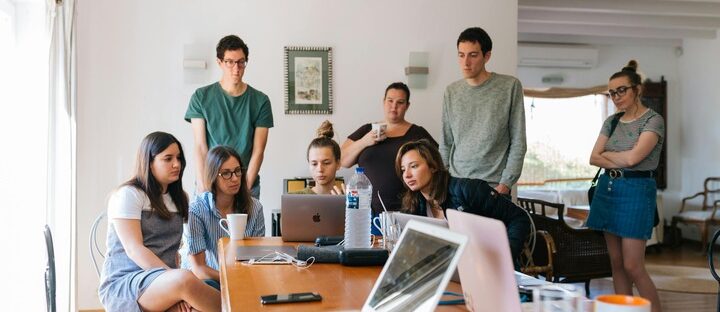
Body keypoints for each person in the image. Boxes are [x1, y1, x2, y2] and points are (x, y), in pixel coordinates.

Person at [99, 132, 219, 312]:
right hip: (126, 283)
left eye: (179, 158)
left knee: (197, 303)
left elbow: (175, 251)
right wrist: (176, 283)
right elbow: (134, 250)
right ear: (149, 162)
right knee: (186, 280)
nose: (176, 164)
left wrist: (176, 290)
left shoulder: (179, 198)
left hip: (165, 282)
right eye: (168, 158)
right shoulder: (129, 195)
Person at [587, 60, 663, 312]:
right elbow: (593, 157)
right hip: (608, 190)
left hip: (637, 192)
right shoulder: (611, 121)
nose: (616, 97)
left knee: (633, 266)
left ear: (636, 89)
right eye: (611, 92)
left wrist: (611, 157)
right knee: (616, 263)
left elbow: (634, 159)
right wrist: (621, 158)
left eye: (622, 90)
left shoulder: (653, 120)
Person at [396, 139, 530, 268]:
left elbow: (519, 217)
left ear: (433, 166)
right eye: (403, 169)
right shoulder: (415, 204)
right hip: (453, 271)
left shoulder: (468, 189)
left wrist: (504, 257)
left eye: (414, 166)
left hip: (490, 269)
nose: (406, 175)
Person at [185, 35, 273, 198]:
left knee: (246, 224)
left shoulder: (261, 101)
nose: (236, 68)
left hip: (245, 181)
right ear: (220, 62)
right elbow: (200, 146)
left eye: (241, 62)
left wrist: (244, 189)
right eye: (230, 62)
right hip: (211, 180)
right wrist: (204, 186)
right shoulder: (201, 97)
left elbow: (258, 150)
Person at [441, 27, 526, 196]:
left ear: (487, 56)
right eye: (461, 55)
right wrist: (442, 183)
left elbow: (518, 141)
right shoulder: (451, 91)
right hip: (456, 184)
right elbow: (446, 143)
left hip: (493, 187)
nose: (466, 63)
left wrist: (506, 184)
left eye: (473, 55)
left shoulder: (509, 86)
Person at [341, 82, 437, 214]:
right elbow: (342, 160)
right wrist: (364, 141)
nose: (394, 106)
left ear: (407, 106)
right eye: (390, 101)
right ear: (383, 101)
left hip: (409, 209)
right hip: (366, 211)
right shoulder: (366, 130)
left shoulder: (417, 133)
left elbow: (438, 164)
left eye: (400, 102)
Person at [182, 146, 265, 290]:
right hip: (207, 280)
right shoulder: (196, 209)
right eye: (226, 173)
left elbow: (257, 258)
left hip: (244, 278)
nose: (234, 178)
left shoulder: (255, 207)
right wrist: (231, 278)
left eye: (237, 171)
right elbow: (199, 269)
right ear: (213, 176)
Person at [291, 120, 344, 195]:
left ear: (338, 164)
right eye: (314, 164)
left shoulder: (348, 200)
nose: (320, 169)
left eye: (326, 163)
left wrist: (344, 205)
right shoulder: (293, 198)